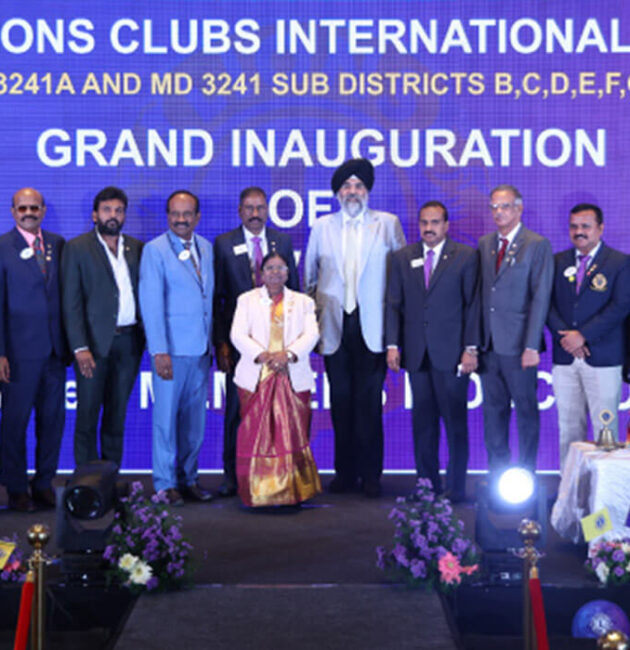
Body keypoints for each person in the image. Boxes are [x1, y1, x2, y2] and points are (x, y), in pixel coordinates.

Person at [304, 158, 406, 497]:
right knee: (341, 403)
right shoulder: (322, 226)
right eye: (346, 186)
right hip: (334, 327)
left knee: (369, 404)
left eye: (359, 186)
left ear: (368, 191)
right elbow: (310, 278)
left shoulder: (387, 224)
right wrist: (310, 327)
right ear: (337, 193)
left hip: (373, 327)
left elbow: (400, 280)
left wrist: (396, 335)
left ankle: (371, 475)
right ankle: (345, 474)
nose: (352, 191)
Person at [385, 201, 480, 502]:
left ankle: (456, 487)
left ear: (446, 225)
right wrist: (392, 344)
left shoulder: (465, 256)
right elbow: (393, 304)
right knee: (422, 425)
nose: (429, 228)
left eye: (435, 222)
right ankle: (427, 485)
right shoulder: (403, 257)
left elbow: (473, 306)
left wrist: (470, 349)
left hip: (452, 355)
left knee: (455, 424)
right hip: (416, 354)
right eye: (424, 222)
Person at [213, 187, 299, 497]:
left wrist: (292, 345)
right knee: (238, 411)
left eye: (260, 207)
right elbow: (218, 299)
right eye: (249, 208)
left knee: (279, 412)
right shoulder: (224, 244)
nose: (255, 213)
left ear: (267, 210)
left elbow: (294, 292)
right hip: (240, 345)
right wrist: (221, 343)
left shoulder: (282, 242)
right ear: (239, 211)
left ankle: (275, 476)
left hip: (278, 346)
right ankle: (232, 476)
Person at [139, 190, 214, 506]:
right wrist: (159, 350)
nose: (181, 219)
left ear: (197, 217)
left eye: (187, 214)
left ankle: (189, 479)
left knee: (194, 425)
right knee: (166, 422)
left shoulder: (206, 247)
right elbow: (151, 303)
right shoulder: (154, 250)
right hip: (170, 351)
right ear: (168, 215)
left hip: (201, 350)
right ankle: (165, 483)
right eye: (175, 213)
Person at [61, 186, 144, 468]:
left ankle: (109, 479)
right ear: (95, 214)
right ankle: (86, 482)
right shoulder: (77, 248)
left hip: (129, 343)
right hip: (93, 346)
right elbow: (71, 303)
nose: (113, 215)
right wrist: (80, 347)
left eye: (119, 210)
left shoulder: (136, 248)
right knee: (87, 416)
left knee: (116, 417)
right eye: (107, 210)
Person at [230, 252, 320, 507]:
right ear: (261, 273)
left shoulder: (303, 302)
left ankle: (294, 491)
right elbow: (237, 334)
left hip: (292, 375)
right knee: (255, 436)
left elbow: (311, 334)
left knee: (292, 433)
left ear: (288, 273)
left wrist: (287, 355)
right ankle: (256, 491)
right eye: (270, 268)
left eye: (280, 268)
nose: (275, 272)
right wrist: (263, 356)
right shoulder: (247, 300)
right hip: (256, 376)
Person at [547, 203, 630, 470]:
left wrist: (582, 336)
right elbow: (546, 304)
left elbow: (621, 306)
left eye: (586, 226)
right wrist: (567, 338)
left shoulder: (620, 262)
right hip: (565, 358)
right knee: (569, 430)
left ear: (600, 228)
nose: (579, 232)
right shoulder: (557, 261)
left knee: (605, 431)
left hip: (603, 358)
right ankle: (569, 490)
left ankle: (604, 494)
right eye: (574, 226)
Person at [0, 188, 68, 512]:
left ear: (43, 210)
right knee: (14, 424)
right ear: (13, 212)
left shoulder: (58, 244)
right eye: (22, 208)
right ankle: (16, 488)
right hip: (17, 354)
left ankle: (43, 484)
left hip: (55, 352)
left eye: (34, 207)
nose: (29, 212)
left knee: (52, 423)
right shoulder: (2, 247)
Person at [478, 184, 553, 477]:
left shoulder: (536, 244)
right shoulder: (485, 244)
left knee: (525, 412)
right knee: (493, 413)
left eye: (505, 206)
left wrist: (532, 345)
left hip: (521, 346)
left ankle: (526, 475)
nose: (499, 212)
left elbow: (540, 297)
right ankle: (498, 475)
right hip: (489, 345)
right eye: (494, 207)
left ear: (519, 209)